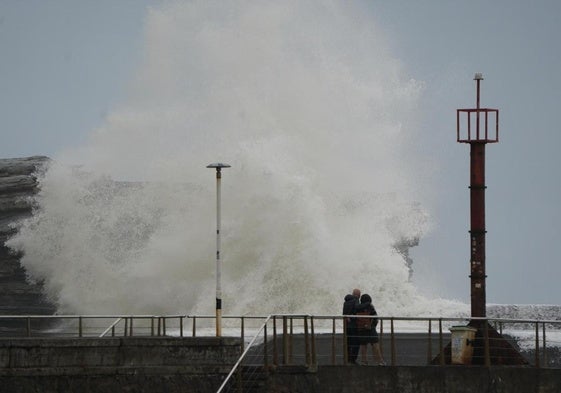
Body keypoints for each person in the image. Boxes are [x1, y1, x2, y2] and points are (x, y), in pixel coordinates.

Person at [342, 288, 370, 364]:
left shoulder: (346, 302)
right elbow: (357, 307)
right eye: (359, 295)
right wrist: (367, 303)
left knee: (348, 342)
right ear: (357, 295)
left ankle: (347, 359)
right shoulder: (355, 300)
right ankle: (353, 360)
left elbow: (344, 313)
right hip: (353, 325)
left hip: (347, 325)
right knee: (356, 343)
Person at [357, 293, 385, 365]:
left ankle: (364, 361)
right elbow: (375, 317)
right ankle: (380, 361)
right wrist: (373, 326)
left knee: (363, 345)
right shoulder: (370, 306)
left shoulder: (358, 307)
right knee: (375, 344)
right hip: (370, 329)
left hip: (361, 328)